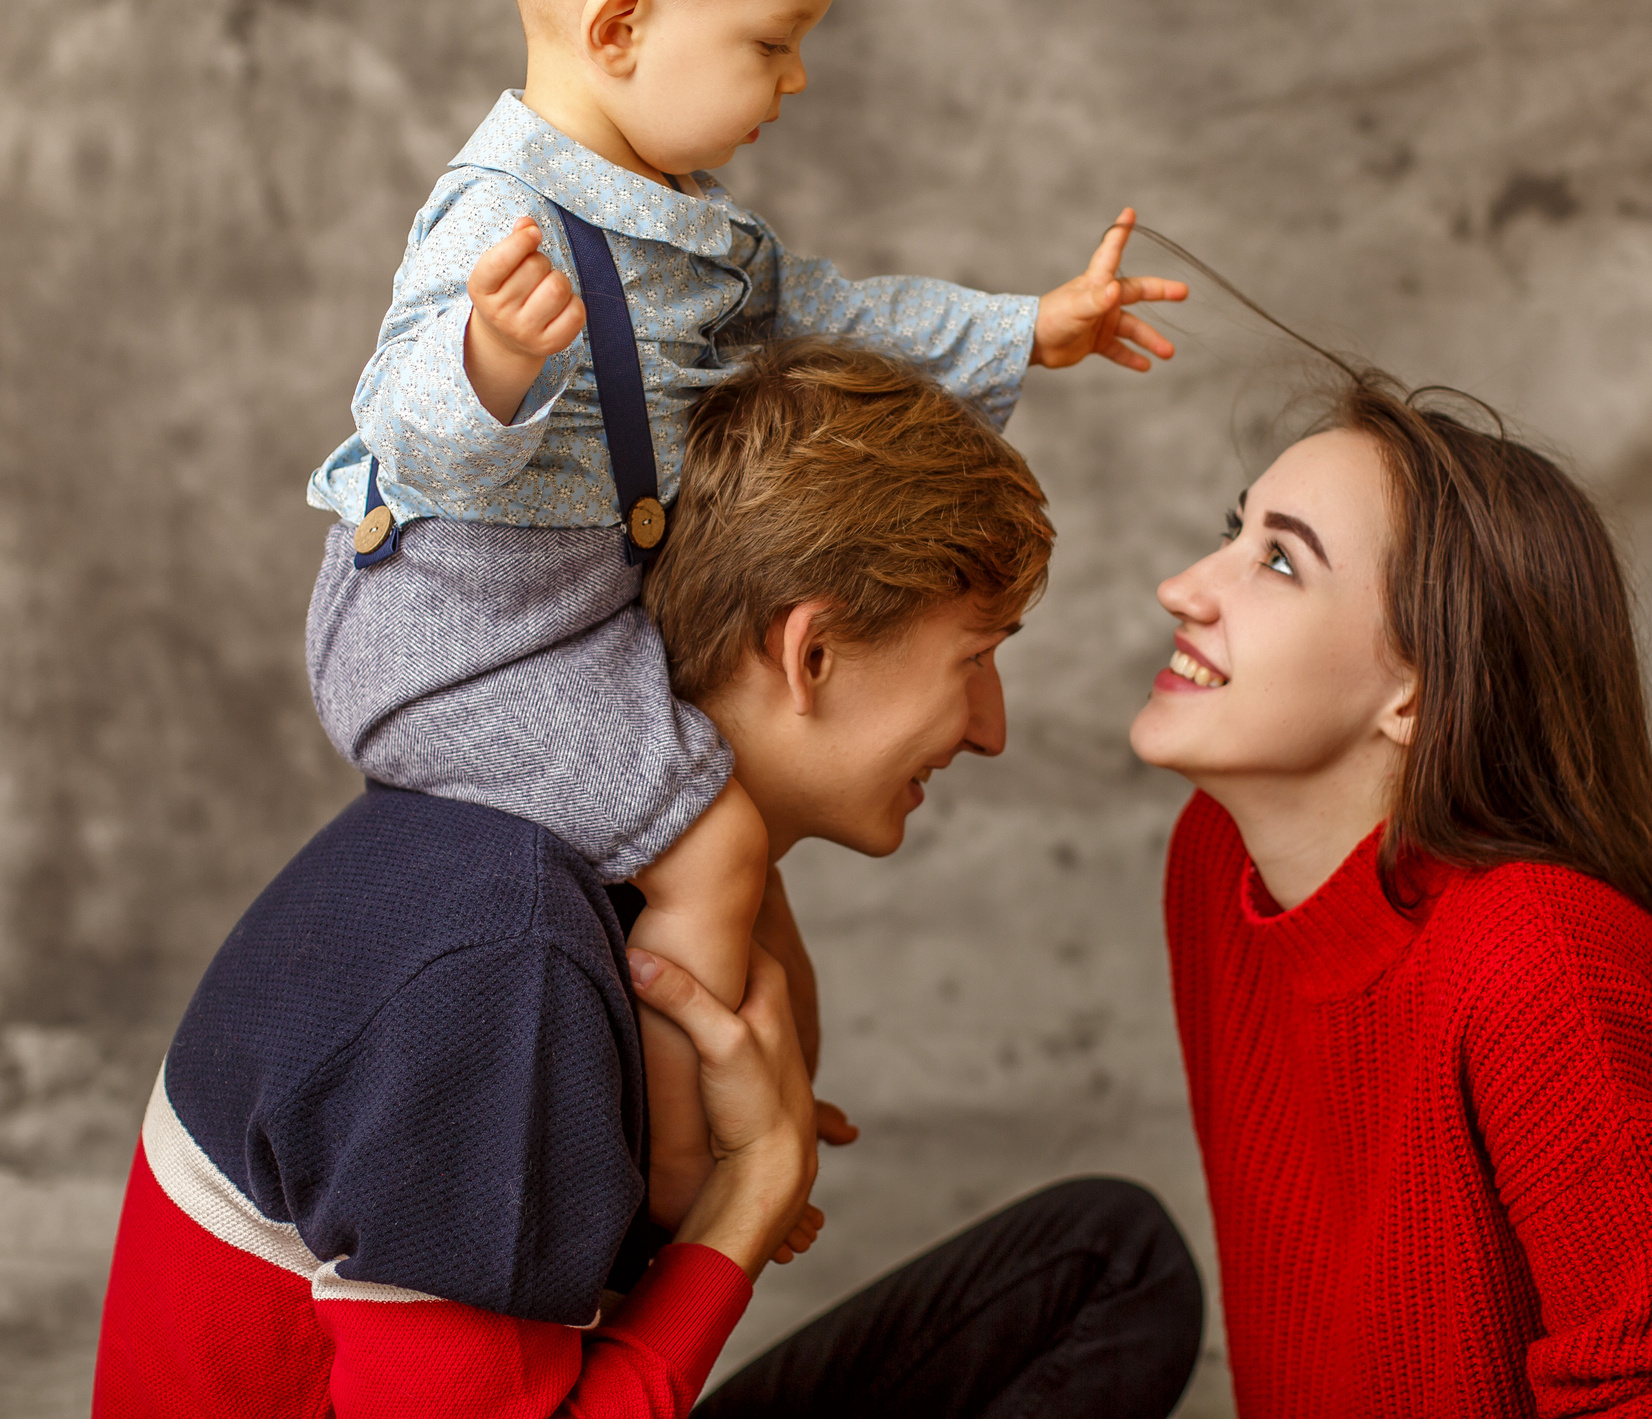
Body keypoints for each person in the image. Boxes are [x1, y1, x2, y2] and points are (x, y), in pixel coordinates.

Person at [301, 0, 1187, 1226]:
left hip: (575, 622)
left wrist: (1029, 325)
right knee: (709, 839)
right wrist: (487, 361)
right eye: (773, 42)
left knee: (752, 865)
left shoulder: (690, 230)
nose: (795, 79)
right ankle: (673, 1191)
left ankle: (764, 1098)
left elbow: (839, 315)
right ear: (621, 27)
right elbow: (404, 430)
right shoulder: (499, 220)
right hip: (452, 635)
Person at [95, 340, 1205, 1418]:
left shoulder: (605, 879)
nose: (991, 730)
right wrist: (750, 1197)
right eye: (974, 659)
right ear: (808, 653)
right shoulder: (508, 962)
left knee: (1104, 1268)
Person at [1131, 364, 1652, 1417]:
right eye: (1235, 533)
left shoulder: (1545, 968)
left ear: (1414, 693)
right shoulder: (1217, 863)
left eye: (1278, 561)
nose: (1184, 586)